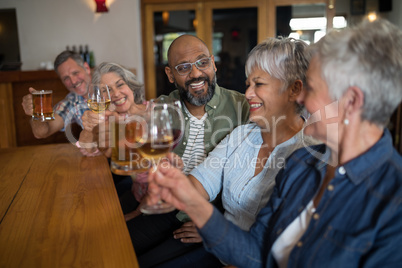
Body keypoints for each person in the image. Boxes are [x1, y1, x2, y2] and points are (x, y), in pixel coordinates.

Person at [147, 18, 402, 267]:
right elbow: (259, 252)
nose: (300, 98)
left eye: (310, 88)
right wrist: (181, 190)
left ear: (351, 101)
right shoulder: (302, 162)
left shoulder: (393, 201)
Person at [150, 36, 320, 267]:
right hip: (220, 250)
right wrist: (168, 183)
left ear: (294, 89)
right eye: (248, 84)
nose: (248, 94)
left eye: (259, 84)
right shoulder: (243, 135)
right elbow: (200, 182)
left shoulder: (311, 153)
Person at [126, 34, 250, 266]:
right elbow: (133, 146)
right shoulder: (163, 107)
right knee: (115, 245)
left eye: (202, 63)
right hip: (165, 206)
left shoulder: (243, 107)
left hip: (209, 216)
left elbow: (256, 179)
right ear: (170, 75)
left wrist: (217, 223)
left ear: (213, 64)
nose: (195, 74)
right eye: (183, 67)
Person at [77, 61, 145, 200]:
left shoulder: (155, 110)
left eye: (120, 85)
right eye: (106, 90)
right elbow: (88, 150)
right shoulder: (108, 121)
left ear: (131, 85)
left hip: (159, 198)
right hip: (137, 194)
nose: (115, 93)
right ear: (101, 98)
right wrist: (89, 128)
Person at [21, 50, 91, 139]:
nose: (73, 81)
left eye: (75, 73)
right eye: (66, 78)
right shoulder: (72, 102)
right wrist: (36, 112)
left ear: (87, 68)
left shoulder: (108, 86)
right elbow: (42, 132)